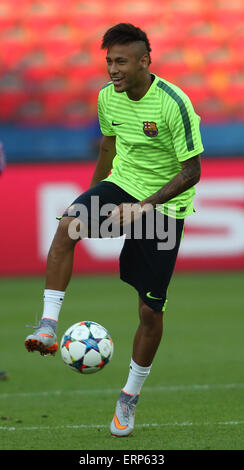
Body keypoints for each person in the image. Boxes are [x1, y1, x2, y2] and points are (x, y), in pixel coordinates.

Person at [25, 23, 204, 437]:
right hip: (120, 184)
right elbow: (108, 147)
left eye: (121, 62)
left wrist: (142, 209)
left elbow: (192, 170)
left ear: (145, 61)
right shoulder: (108, 98)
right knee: (68, 225)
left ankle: (129, 396)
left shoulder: (174, 104)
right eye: (108, 62)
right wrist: (90, 196)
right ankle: (48, 326)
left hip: (163, 208)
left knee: (149, 311)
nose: (112, 70)